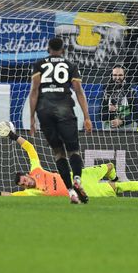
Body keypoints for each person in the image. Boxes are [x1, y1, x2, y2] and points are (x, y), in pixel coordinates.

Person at [0, 122, 138, 197]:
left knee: (109, 165)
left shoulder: (36, 171)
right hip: (85, 189)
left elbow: (30, 149)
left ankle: (114, 183)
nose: (27, 183)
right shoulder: (31, 193)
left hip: (81, 175)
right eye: (24, 184)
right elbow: (11, 196)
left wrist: (13, 136)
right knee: (119, 187)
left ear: (28, 175)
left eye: (25, 179)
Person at [29, 38, 92, 204]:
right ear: (63, 49)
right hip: (64, 108)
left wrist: (32, 118)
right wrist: (86, 117)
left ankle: (71, 192)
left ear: (48, 49)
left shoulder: (39, 65)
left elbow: (34, 91)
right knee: (73, 151)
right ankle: (77, 180)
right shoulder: (71, 66)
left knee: (58, 153)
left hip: (44, 110)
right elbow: (79, 92)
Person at [100, 65, 138, 130]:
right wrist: (109, 112)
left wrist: (122, 121)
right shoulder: (106, 93)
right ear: (111, 76)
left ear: (125, 76)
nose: (117, 77)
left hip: (128, 132)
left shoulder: (131, 92)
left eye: (120, 75)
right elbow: (100, 116)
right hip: (109, 132)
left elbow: (137, 115)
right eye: (115, 75)